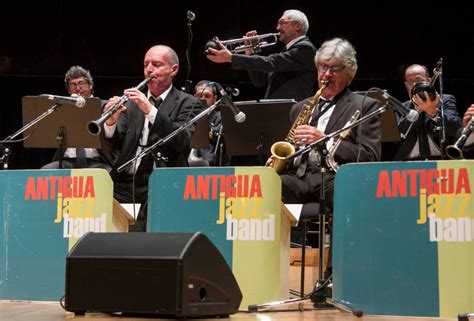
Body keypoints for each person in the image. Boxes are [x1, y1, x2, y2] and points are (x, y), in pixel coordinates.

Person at [102, 45, 201, 230]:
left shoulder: (189, 103)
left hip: (162, 181)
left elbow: (181, 142)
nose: (149, 69)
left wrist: (150, 110)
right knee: (97, 207)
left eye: (156, 64)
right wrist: (110, 123)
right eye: (146, 64)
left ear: (174, 70)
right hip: (125, 181)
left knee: (145, 224)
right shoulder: (132, 103)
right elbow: (113, 146)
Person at [280, 37, 381, 208]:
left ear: (349, 73)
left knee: (350, 194)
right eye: (323, 67)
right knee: (266, 187)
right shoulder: (299, 107)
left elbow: (369, 156)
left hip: (334, 178)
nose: (327, 74)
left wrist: (325, 140)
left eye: (334, 69)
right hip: (298, 177)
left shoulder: (365, 105)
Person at [207, 9, 316, 101]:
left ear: (297, 26)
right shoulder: (286, 51)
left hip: (292, 113)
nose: (278, 28)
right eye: (278, 24)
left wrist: (231, 58)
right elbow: (259, 81)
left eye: (282, 23)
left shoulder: (305, 48)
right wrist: (250, 52)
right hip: (277, 112)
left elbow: (270, 62)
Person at [41, 65, 114, 171]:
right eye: (73, 85)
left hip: (96, 162)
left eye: (81, 83)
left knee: (108, 172)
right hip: (67, 161)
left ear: (90, 85)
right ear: (69, 90)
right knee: (45, 171)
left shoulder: (104, 106)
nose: (78, 88)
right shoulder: (61, 109)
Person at [394, 64, 462, 160]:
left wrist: (434, 113)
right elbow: (396, 136)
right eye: (410, 81)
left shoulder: (445, 100)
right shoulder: (401, 107)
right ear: (406, 86)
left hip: (441, 160)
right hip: (407, 164)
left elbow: (457, 130)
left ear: (429, 81)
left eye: (418, 80)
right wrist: (417, 111)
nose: (414, 85)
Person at [188, 80, 229, 166]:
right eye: (199, 96)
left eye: (207, 96)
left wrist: (207, 130)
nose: (202, 99)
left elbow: (225, 140)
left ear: (214, 99)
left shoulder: (221, 117)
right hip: (183, 167)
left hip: (212, 167)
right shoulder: (187, 117)